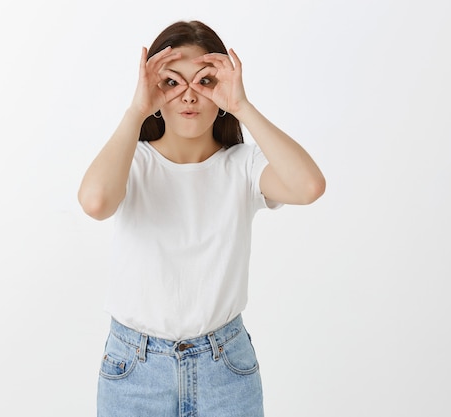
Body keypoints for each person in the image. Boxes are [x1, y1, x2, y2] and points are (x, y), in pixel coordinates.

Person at [78, 20, 325, 417]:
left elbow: (309, 186)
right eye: (172, 83)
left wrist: (242, 106)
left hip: (224, 368)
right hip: (134, 370)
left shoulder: (243, 167)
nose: (189, 96)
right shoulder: (133, 160)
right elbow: (95, 202)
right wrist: (137, 110)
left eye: (205, 82)